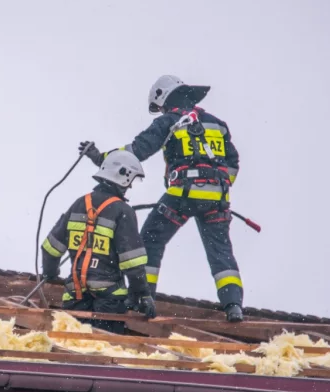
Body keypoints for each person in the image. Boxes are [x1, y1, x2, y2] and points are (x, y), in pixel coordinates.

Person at [79, 75, 244, 322]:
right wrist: (217, 189)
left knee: (150, 240)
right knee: (220, 251)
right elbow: (233, 162)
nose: (162, 112)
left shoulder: (170, 121)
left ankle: (142, 298)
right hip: (218, 199)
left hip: (182, 195)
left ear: (165, 99)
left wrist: (99, 157)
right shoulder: (217, 124)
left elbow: (137, 151)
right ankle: (233, 306)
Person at [40, 150, 155, 333]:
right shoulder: (122, 211)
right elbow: (132, 262)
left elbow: (50, 249)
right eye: (131, 181)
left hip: (74, 298)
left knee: (73, 348)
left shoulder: (78, 204)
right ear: (123, 176)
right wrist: (142, 294)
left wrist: (50, 273)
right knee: (105, 350)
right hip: (109, 305)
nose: (130, 187)